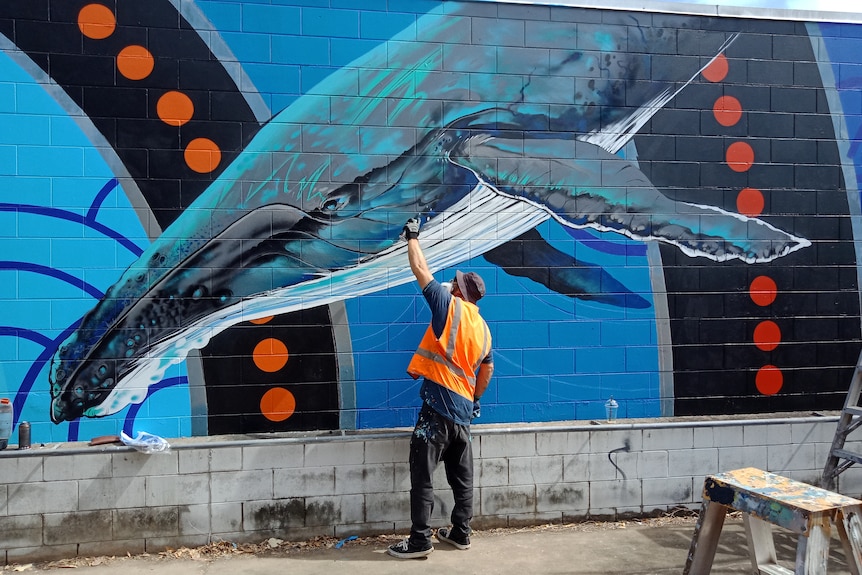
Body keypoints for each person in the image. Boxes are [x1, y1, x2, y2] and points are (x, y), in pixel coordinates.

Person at [388, 218, 494, 559]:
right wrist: (475, 399)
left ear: (461, 292)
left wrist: (413, 236)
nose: (452, 283)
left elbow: (420, 268)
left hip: (437, 411)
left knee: (422, 476)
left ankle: (420, 541)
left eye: (457, 283)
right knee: (462, 479)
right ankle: (461, 533)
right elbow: (487, 368)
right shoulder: (484, 328)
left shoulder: (448, 306)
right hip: (463, 412)